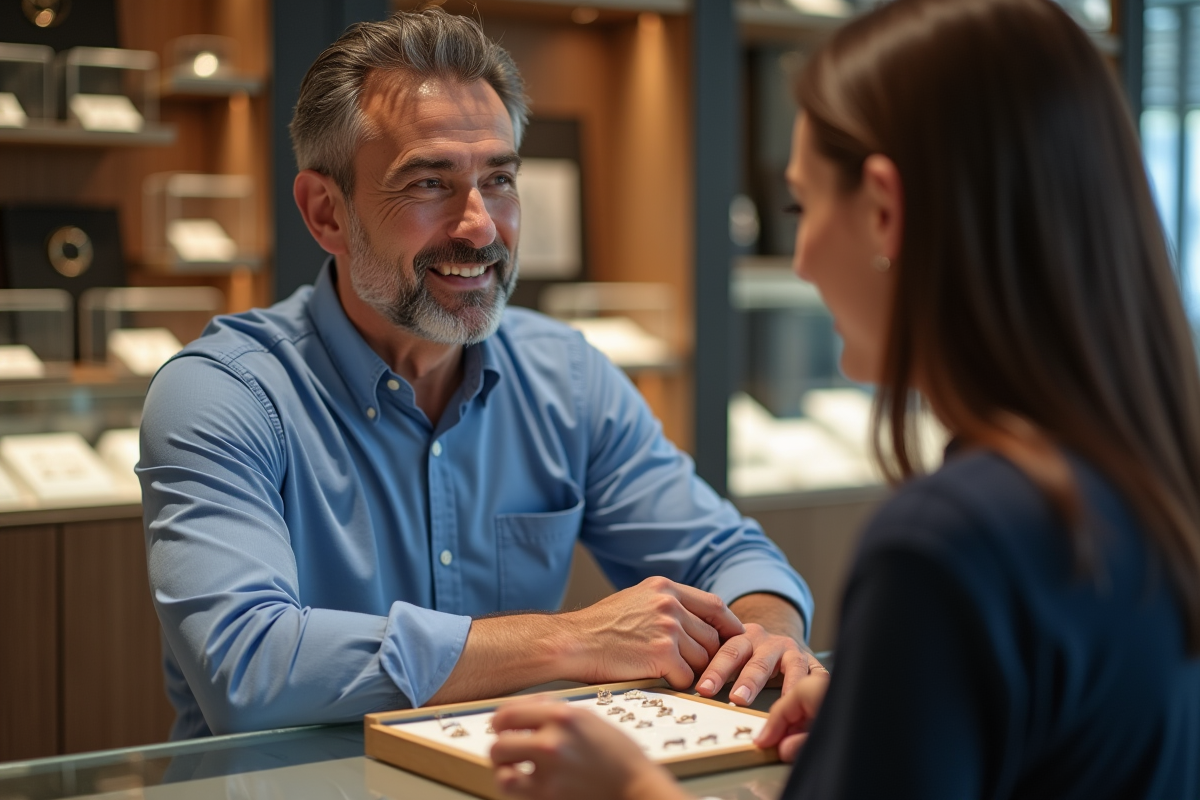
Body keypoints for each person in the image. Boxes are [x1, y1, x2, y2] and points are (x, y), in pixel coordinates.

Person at [487, 0, 1200, 797]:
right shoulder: (1142, 479)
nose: (799, 260)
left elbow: (728, 552)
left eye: (802, 206)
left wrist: (628, 789)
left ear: (886, 211)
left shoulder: (950, 540)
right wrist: (891, 713)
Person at [137, 8, 818, 740]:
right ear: (326, 212)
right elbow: (248, 668)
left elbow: (729, 555)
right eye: (430, 183)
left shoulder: (567, 378)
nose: (481, 226)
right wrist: (569, 640)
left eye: (499, 180)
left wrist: (766, 631)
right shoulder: (224, 395)